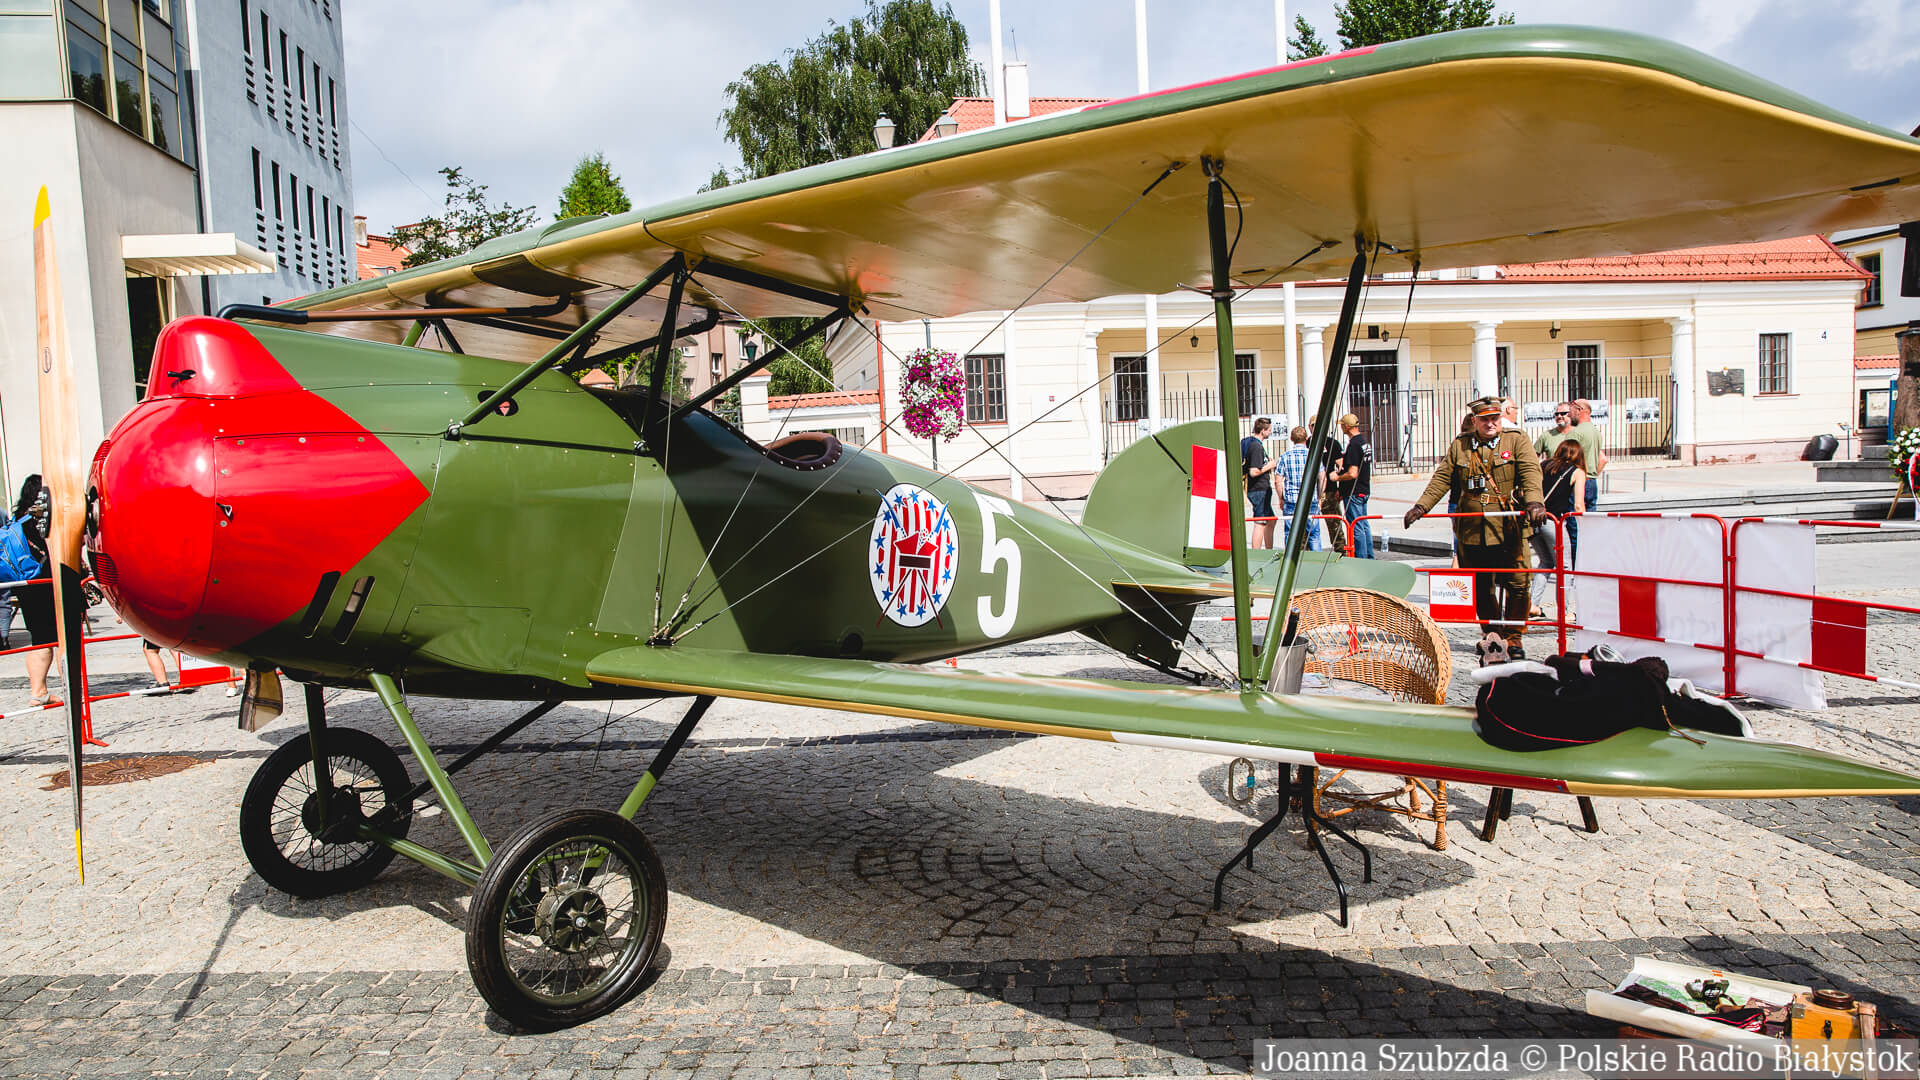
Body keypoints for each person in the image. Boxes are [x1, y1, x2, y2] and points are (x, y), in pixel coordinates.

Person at [1405, 397, 1546, 661]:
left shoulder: (1516, 440)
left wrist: (1535, 501)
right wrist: (1421, 507)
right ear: (1475, 420)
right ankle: (1492, 634)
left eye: (1495, 418)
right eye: (1485, 419)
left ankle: (1514, 636)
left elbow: (1530, 472)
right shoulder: (1461, 445)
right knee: (1482, 586)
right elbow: (1442, 478)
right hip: (1472, 528)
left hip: (1509, 526)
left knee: (1518, 582)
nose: (1490, 424)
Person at [10, 476, 61, 706]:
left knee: (39, 639)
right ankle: (74, 689)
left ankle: (38, 690)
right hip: (48, 584)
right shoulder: (44, 518)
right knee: (64, 640)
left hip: (26, 586)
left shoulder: (19, 519)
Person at [1529, 439, 1587, 617]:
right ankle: (1566, 612)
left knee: (1545, 562)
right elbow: (1578, 506)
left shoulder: (1543, 465)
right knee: (1566, 566)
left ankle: (1532, 605)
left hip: (1533, 519)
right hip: (1553, 521)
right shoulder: (1577, 472)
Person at [1335, 413, 1374, 558]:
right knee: (1363, 525)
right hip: (1364, 489)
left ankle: (1362, 558)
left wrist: (1337, 477)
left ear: (1346, 426)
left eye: (1341, 425)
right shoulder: (1364, 442)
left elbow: (1352, 473)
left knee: (1356, 527)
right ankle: (1369, 557)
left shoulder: (1354, 445)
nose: (1340, 427)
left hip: (1354, 492)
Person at [1277, 426, 1322, 552]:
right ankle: (1316, 559)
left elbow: (1278, 481)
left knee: (1291, 534)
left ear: (1291, 439)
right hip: (1310, 499)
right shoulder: (1313, 455)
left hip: (1291, 500)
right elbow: (1322, 477)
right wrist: (1319, 496)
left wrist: (1281, 498)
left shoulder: (1285, 456)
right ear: (1306, 438)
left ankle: (1291, 558)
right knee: (1314, 534)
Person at [1240, 417, 1278, 549]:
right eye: (1269, 430)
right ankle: (1257, 551)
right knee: (1260, 522)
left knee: (1271, 520)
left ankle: (1268, 549)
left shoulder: (1253, 444)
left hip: (1259, 489)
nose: (1270, 433)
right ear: (1263, 431)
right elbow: (1254, 471)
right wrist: (1270, 465)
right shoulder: (1256, 447)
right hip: (1258, 489)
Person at [1568, 398, 1608, 512]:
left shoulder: (1575, 433)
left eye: (1571, 411)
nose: (1569, 415)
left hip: (1577, 482)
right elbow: (1603, 459)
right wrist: (1592, 475)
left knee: (1574, 518)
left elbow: (1566, 461)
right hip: (1592, 481)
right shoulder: (1596, 432)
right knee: (1591, 519)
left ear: (1579, 410)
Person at [1318, 432, 1347, 556]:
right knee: (1309, 523)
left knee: (1334, 522)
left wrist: (1340, 488)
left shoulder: (1332, 443)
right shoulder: (1308, 443)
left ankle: (1340, 549)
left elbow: (1341, 465)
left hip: (1329, 489)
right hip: (1314, 490)